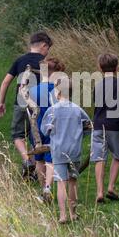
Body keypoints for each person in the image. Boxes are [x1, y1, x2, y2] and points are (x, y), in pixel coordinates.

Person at [0, 32, 53, 179]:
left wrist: (1, 102)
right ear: (43, 45)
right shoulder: (46, 63)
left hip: (22, 101)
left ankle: (27, 160)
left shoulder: (20, 60)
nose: (47, 52)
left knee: (18, 134)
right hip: (40, 103)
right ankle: (35, 168)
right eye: (48, 49)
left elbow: (5, 82)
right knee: (36, 135)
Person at [41, 78, 91, 223]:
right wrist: (80, 134)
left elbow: (45, 130)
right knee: (73, 181)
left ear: (58, 91)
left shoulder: (52, 110)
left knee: (61, 182)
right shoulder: (77, 109)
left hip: (58, 150)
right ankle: (73, 213)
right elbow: (88, 126)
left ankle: (63, 215)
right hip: (74, 151)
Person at [90, 53, 119, 203]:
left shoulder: (98, 85)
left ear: (100, 68)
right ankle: (111, 187)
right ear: (117, 67)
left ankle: (99, 192)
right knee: (117, 156)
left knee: (99, 158)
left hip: (99, 124)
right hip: (115, 125)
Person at [29, 58, 66, 203]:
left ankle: (43, 188)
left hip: (37, 127)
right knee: (51, 157)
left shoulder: (33, 90)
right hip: (53, 126)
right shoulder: (58, 90)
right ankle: (48, 188)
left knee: (39, 158)